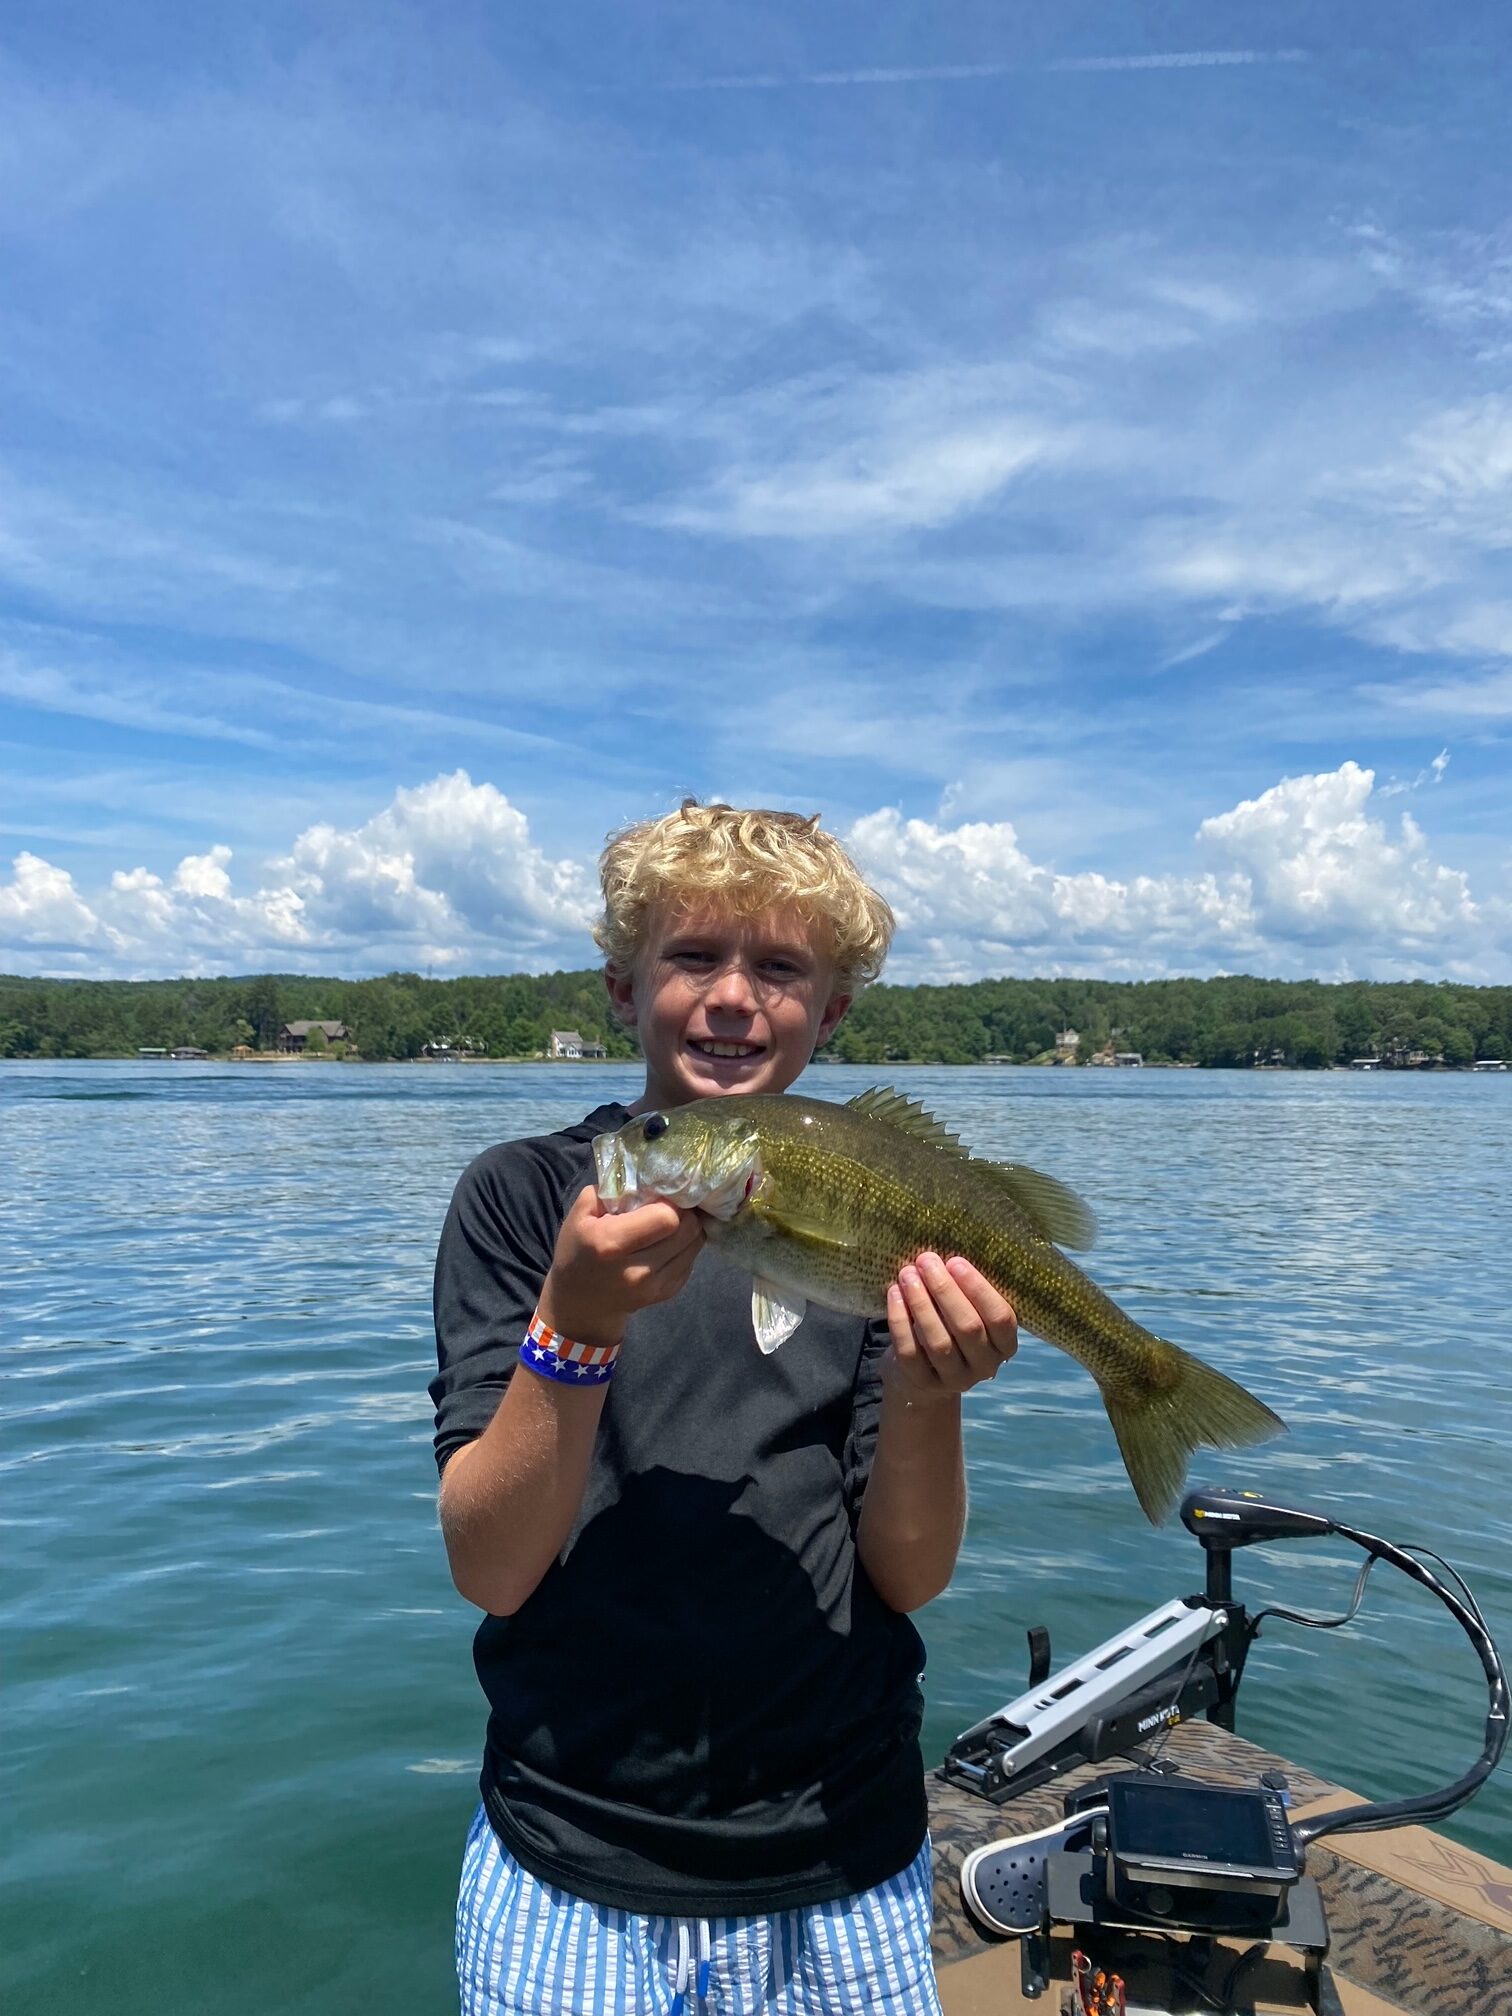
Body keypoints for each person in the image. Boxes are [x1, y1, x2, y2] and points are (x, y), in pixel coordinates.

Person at [430, 802, 1019, 2015]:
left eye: (781, 968)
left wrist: (927, 1387)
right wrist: (575, 1326)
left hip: (845, 1859)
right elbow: (489, 1568)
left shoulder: (874, 1211)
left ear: (834, 1009)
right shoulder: (524, 1199)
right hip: (571, 1864)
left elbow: (908, 1577)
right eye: (693, 957)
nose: (735, 997)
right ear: (621, 984)